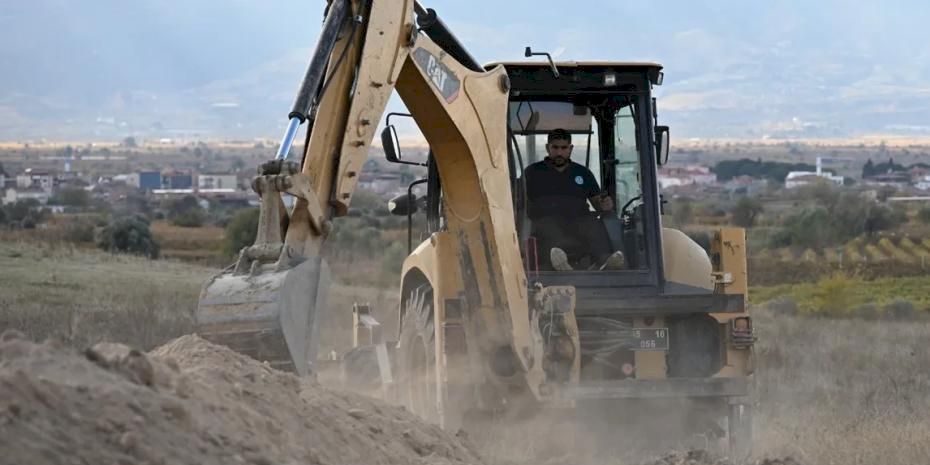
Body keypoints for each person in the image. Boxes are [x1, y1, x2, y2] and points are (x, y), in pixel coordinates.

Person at [522, 128, 624, 271]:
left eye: (564, 148)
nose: (559, 152)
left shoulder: (583, 173)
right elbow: (519, 200)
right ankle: (559, 264)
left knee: (593, 224)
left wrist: (605, 205)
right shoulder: (532, 172)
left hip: (579, 220)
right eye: (555, 147)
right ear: (547, 148)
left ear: (570, 149)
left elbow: (597, 202)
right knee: (548, 228)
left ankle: (605, 261)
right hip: (546, 220)